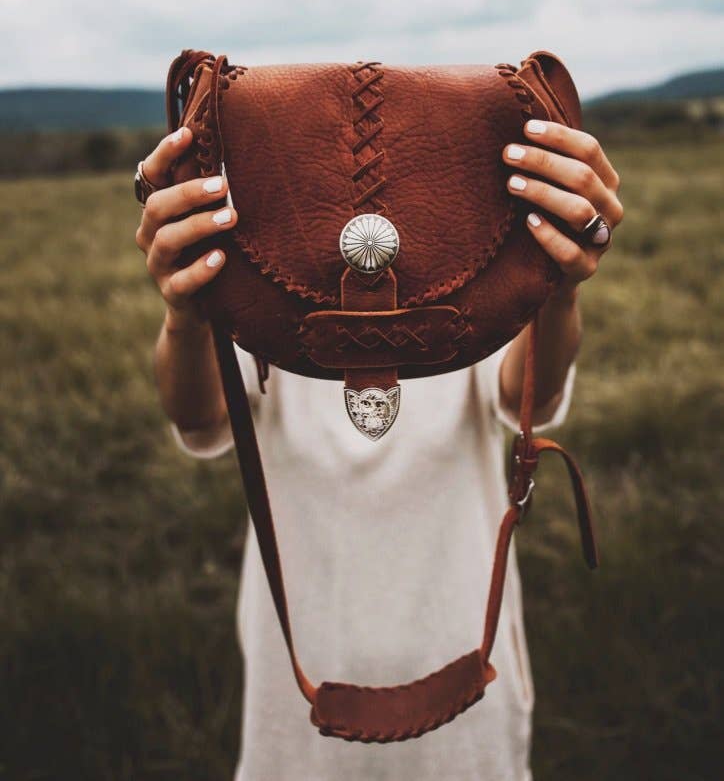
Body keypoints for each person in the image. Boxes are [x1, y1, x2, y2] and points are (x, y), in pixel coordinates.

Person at [135, 116, 622, 781]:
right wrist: (185, 316)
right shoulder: (263, 259)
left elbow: (526, 399)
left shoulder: (471, 256)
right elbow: (198, 416)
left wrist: (557, 290)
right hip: (297, 686)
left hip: (464, 676)